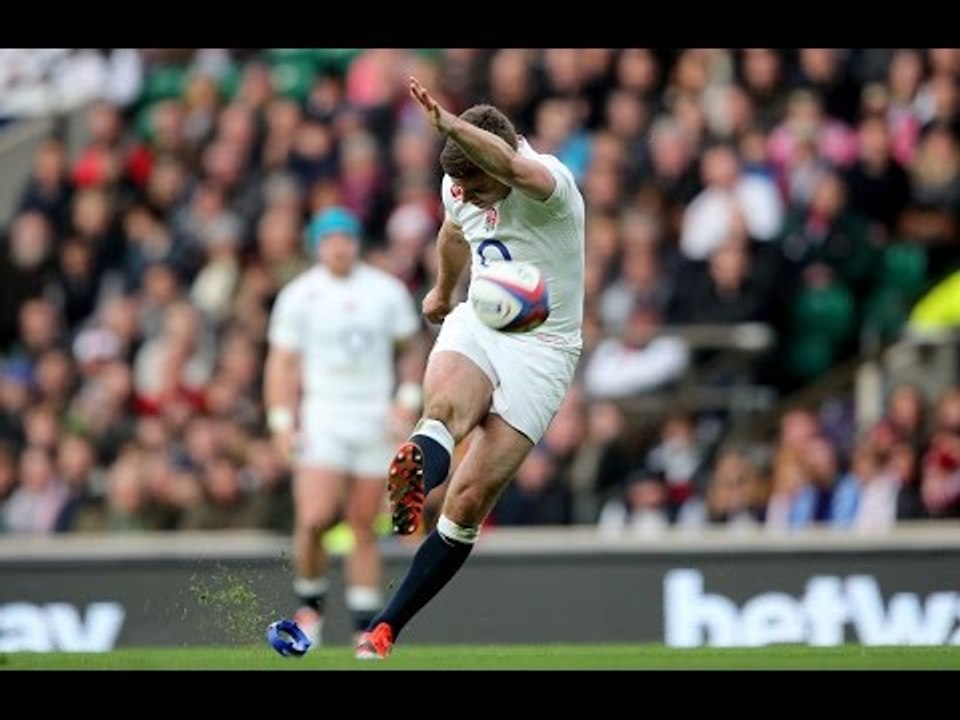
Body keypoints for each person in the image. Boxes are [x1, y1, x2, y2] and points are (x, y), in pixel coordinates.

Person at [355, 77, 585, 659]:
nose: (470, 194)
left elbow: (508, 167)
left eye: (480, 185)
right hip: (482, 321)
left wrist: (449, 123)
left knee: (467, 502)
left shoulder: (550, 184)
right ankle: (415, 472)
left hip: (544, 348)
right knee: (443, 412)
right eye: (460, 184)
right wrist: (441, 289)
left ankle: (386, 625)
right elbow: (454, 230)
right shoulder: (461, 185)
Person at [264, 206, 421, 645]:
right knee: (314, 517)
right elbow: (282, 364)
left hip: (374, 422)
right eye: (330, 239)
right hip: (323, 419)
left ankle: (364, 629)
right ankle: (309, 607)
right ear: (318, 245)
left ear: (356, 243)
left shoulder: (386, 291)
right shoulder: (299, 295)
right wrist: (281, 422)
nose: (339, 247)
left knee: (362, 524)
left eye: (346, 238)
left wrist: (405, 401)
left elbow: (410, 352)